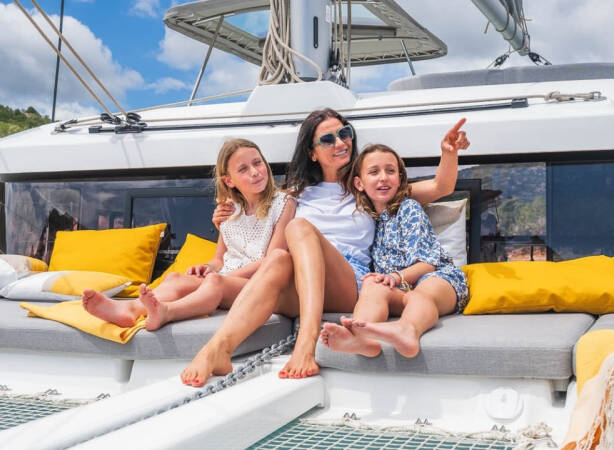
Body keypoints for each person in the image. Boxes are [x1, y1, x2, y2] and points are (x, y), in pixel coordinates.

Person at [180, 109, 469, 386]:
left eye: (345, 133)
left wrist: (449, 153)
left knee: (298, 228)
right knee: (277, 258)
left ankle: (306, 343)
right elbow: (251, 217)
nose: (341, 143)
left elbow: (440, 187)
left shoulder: (366, 187)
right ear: (312, 153)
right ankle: (217, 349)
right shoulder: (294, 196)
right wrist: (224, 216)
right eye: (328, 139)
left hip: (346, 282)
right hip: (301, 282)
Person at [82, 138, 296, 331]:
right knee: (175, 278)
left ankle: (166, 312)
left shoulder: (283, 203)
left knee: (215, 284)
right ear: (229, 181)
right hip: (225, 278)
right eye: (243, 169)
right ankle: (130, 309)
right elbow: (219, 259)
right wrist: (208, 267)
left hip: (259, 283)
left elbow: (272, 260)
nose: (255, 172)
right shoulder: (229, 209)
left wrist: (220, 277)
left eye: (257, 163)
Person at [321, 144, 468, 358]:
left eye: (390, 171)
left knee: (422, 293)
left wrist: (395, 277)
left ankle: (407, 330)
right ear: (359, 184)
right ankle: (361, 338)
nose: (383, 178)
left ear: (399, 179)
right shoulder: (368, 221)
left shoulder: (408, 208)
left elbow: (428, 263)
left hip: (438, 279)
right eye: (374, 172)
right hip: (401, 288)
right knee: (372, 285)